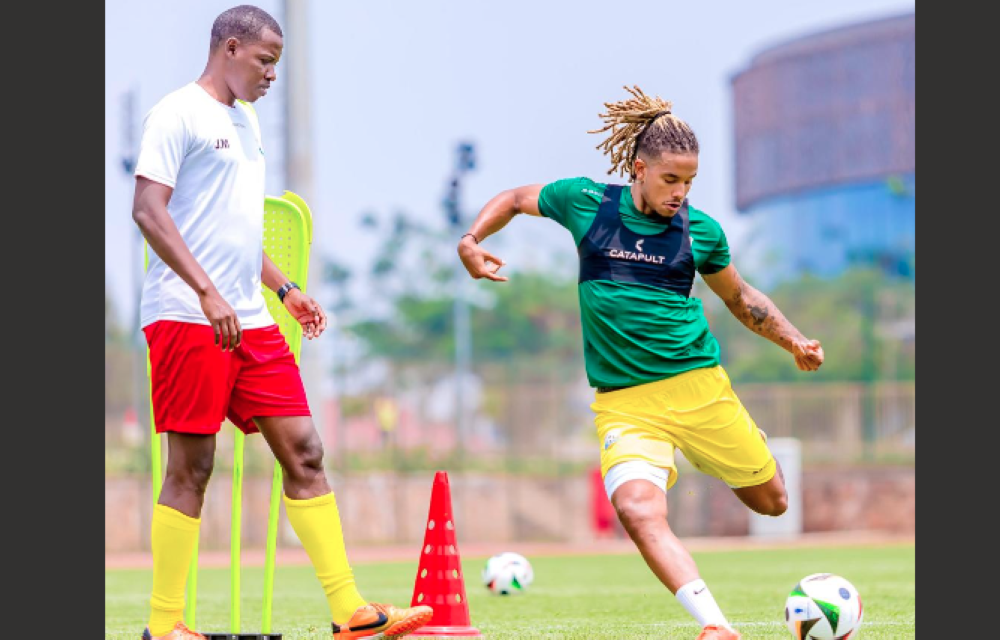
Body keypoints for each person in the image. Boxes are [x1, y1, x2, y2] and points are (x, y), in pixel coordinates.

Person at [456, 85, 824, 640]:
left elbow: (741, 298)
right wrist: (471, 239)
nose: (680, 192)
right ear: (639, 167)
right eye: (670, 179)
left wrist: (795, 340)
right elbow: (512, 198)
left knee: (772, 503)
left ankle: (704, 452)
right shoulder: (586, 203)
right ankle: (716, 627)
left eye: (690, 182)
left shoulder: (701, 232)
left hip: (700, 390)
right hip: (626, 408)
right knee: (636, 509)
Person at [131, 6, 432, 639]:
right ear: (231, 48)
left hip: (251, 318)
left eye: (278, 65)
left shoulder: (246, 121)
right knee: (192, 467)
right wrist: (207, 292)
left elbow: (231, 226)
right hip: (188, 316)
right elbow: (149, 212)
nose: (272, 75)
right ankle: (164, 628)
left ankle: (351, 612)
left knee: (306, 452)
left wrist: (284, 287)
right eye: (266, 61)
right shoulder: (175, 113)